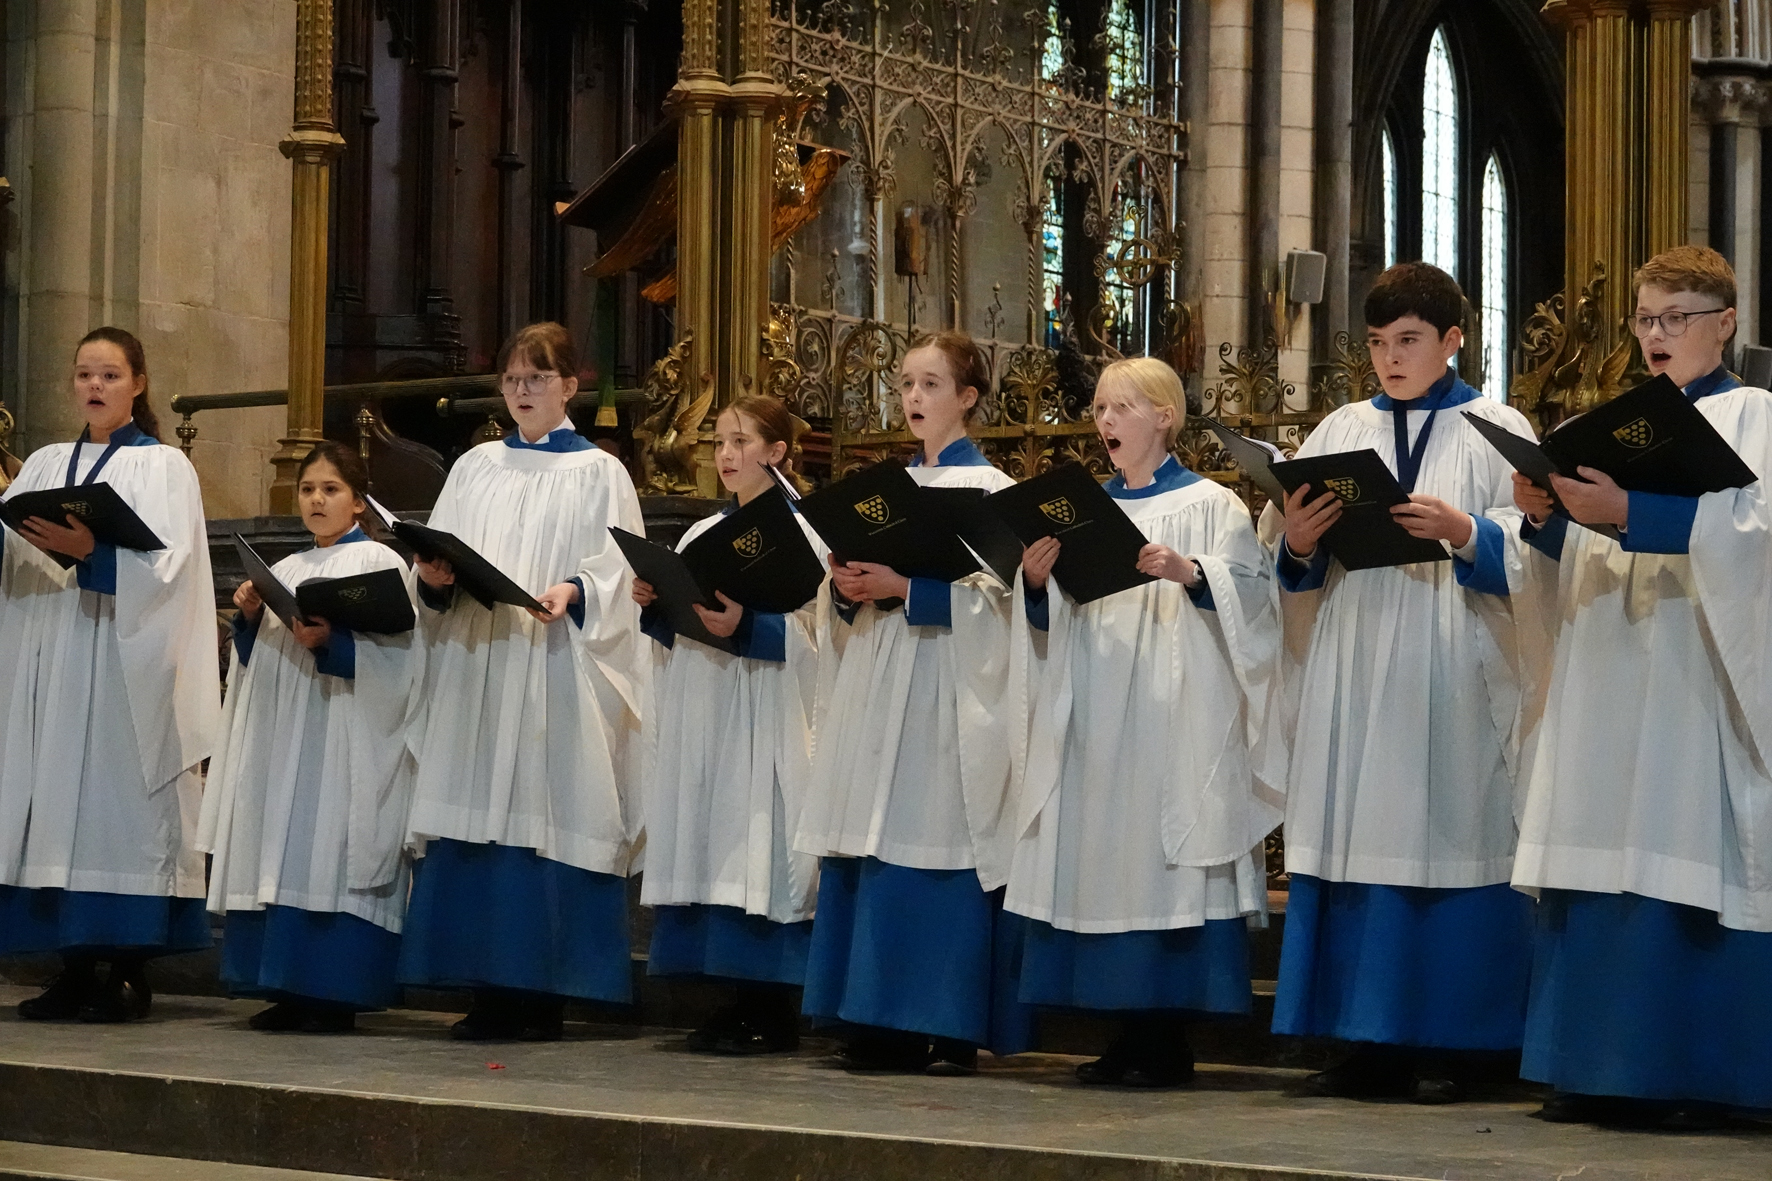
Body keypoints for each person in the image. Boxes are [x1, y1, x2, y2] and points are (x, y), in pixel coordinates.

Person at [1264, 263, 1540, 1102]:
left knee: (1457, 825)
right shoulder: (1342, 427)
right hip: (1358, 647)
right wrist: (1301, 541)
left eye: (1409, 341)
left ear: (1454, 340)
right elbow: (1283, 554)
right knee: (1358, 827)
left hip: (1456, 657)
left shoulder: (1497, 426)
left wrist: (1467, 532)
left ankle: (1471, 1044)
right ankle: (1364, 1041)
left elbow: (1537, 546)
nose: (1391, 358)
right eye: (1379, 344)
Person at [1509, 245, 1772, 1126]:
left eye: (1675, 319)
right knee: (1598, 841)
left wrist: (1632, 513)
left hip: (1697, 677)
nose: (1655, 335)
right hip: (1610, 670)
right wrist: (1551, 519)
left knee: (1681, 839)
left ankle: (1690, 1074)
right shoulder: (1619, 420)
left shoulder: (1756, 415)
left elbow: (1759, 537)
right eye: (1645, 319)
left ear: (1724, 323)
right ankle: (1592, 1066)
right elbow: (1581, 558)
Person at [1006, 358, 1278, 1087]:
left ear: (1164, 416)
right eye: (1099, 408)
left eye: (1121, 407)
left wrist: (1192, 572)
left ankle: (1167, 1037)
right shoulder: (1080, 507)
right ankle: (1122, 1033)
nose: (1105, 421)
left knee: (1165, 869)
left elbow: (1256, 597)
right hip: (1094, 711)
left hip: (1172, 712)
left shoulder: (1213, 506)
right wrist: (1034, 582)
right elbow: (1047, 619)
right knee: (1103, 862)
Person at [397, 322, 647, 1041]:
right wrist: (433, 578)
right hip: (479, 663)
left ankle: (543, 991)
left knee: (545, 813)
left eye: (537, 377)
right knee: (478, 817)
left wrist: (576, 588)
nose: (522, 391)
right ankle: (486, 986)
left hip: (553, 666)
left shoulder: (600, 471)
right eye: (511, 379)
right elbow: (438, 555)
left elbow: (620, 567)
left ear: (571, 385)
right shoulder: (474, 467)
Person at [797, 331, 1033, 1075]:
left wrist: (910, 589)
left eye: (931, 385)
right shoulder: (881, 488)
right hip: (879, 671)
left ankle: (943, 1019)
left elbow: (1006, 606)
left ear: (967, 397)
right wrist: (848, 587)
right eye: (905, 385)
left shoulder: (991, 491)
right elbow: (841, 598)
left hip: (948, 686)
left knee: (937, 841)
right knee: (870, 835)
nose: (913, 399)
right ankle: (872, 1016)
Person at [0, 327, 220, 1022]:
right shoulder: (41, 465)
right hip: (55, 659)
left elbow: (173, 573)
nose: (95, 386)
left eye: (110, 375)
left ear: (138, 384)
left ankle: (126, 969)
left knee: (116, 807)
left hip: (127, 667)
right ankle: (72, 966)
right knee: (55, 804)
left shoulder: (163, 469)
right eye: (84, 374)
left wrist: (93, 551)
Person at [198, 442, 420, 1033]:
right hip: (283, 733)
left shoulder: (381, 563)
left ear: (358, 500)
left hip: (344, 733)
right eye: (308, 490)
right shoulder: (287, 570)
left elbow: (406, 664)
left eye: (331, 490)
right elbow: (255, 664)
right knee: (282, 845)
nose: (317, 500)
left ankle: (333, 989)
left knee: (330, 851)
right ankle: (286, 985)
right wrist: (248, 619)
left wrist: (337, 646)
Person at [634, 395, 827, 1055]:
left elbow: (824, 634)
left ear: (777, 452)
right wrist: (656, 601)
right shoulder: (698, 531)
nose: (725, 455)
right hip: (709, 702)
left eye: (741, 441)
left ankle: (770, 1006)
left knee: (761, 844)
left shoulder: (806, 530)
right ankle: (721, 997)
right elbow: (683, 612)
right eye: (718, 442)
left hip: (769, 708)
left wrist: (748, 626)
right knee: (711, 838)